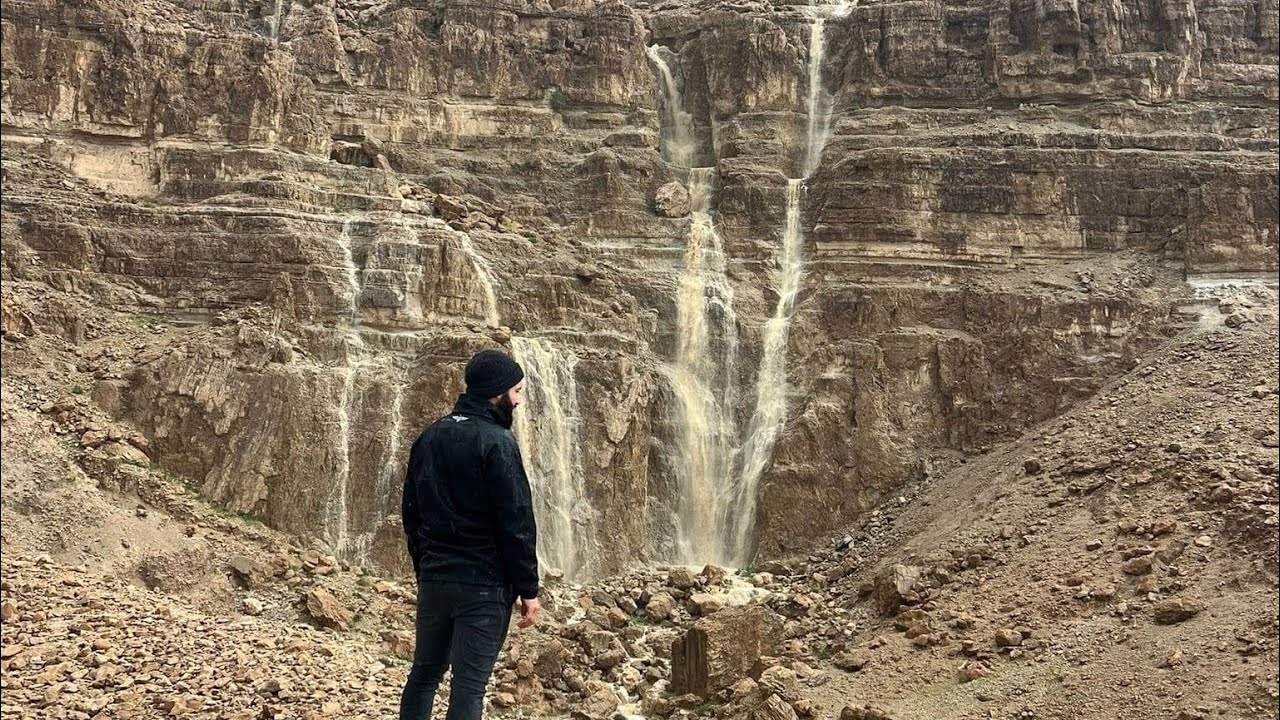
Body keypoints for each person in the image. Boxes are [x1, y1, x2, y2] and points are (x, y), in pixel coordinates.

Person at [399, 349, 541, 720]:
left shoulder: (429, 437)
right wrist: (528, 589)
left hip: (435, 579)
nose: (519, 400)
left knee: (424, 674)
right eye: (517, 392)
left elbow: (411, 512)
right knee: (469, 686)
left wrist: (426, 567)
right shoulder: (497, 442)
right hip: (483, 584)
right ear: (498, 392)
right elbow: (516, 522)